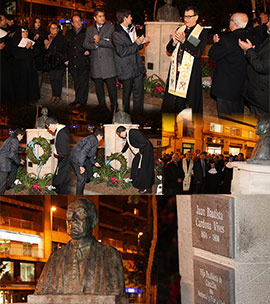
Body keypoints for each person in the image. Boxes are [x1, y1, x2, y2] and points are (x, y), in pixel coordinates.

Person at [35, 198, 126, 303]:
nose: (72, 219)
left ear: (93, 221)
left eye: (80, 213)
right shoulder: (55, 257)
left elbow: (116, 295)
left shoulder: (109, 255)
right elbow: (40, 294)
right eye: (69, 214)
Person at [162, 6, 207, 113]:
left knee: (188, 102)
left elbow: (198, 53)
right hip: (176, 72)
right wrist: (173, 42)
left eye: (189, 16)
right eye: (185, 16)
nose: (186, 19)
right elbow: (169, 49)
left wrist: (184, 41)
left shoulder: (201, 32)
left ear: (196, 17)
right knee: (174, 100)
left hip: (191, 73)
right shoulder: (180, 29)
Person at [209, 13, 252, 115]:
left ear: (233, 23)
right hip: (242, 87)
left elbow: (212, 55)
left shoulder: (228, 40)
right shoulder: (251, 38)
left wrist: (216, 44)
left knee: (226, 122)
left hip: (226, 89)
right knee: (238, 119)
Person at [112, 9, 149, 114]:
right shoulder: (116, 33)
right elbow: (122, 52)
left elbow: (134, 47)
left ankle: (138, 114)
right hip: (126, 69)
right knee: (126, 95)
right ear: (125, 18)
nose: (131, 18)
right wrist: (136, 44)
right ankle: (126, 115)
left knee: (139, 93)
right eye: (130, 16)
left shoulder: (131, 29)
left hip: (137, 67)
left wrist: (141, 43)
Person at [83, 9, 118, 112]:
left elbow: (113, 44)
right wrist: (95, 45)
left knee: (112, 88)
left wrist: (100, 42)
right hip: (96, 64)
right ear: (95, 18)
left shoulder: (110, 27)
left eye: (103, 16)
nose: (103, 18)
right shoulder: (89, 29)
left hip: (108, 64)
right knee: (99, 88)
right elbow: (85, 44)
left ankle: (114, 107)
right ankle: (102, 106)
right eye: (100, 16)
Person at [239, 25, 269, 114]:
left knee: (261, 125)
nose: (267, 24)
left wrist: (249, 50)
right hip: (260, 94)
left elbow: (262, 66)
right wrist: (252, 51)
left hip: (263, 97)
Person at [116, 126, 154, 193]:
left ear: (121, 132)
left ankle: (147, 188)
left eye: (119, 135)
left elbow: (143, 141)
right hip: (142, 151)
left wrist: (141, 153)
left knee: (144, 168)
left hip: (146, 150)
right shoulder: (128, 135)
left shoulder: (132, 132)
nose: (120, 136)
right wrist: (122, 152)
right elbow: (128, 144)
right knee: (135, 165)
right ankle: (135, 180)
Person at [10, 27, 40, 104]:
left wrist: (31, 47)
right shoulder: (15, 41)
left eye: (27, 32)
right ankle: (23, 100)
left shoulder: (29, 40)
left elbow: (36, 52)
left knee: (31, 82)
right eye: (23, 32)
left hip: (30, 67)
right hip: (20, 68)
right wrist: (25, 48)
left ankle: (31, 98)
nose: (25, 33)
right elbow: (15, 54)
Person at [66, 15, 90, 107]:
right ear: (72, 23)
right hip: (73, 61)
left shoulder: (86, 32)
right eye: (76, 21)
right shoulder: (69, 33)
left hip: (83, 61)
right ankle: (77, 99)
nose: (78, 23)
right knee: (76, 82)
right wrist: (66, 59)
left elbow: (92, 43)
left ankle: (83, 102)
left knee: (83, 82)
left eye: (79, 20)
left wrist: (89, 51)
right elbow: (66, 47)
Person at [70, 129, 103, 195]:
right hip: (77, 158)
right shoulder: (93, 140)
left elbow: (90, 154)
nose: (102, 139)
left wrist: (94, 162)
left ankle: (79, 193)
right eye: (102, 137)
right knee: (81, 179)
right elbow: (83, 152)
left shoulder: (91, 138)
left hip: (75, 156)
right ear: (99, 135)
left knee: (81, 178)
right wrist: (81, 165)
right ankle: (79, 194)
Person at [46, 117, 72, 194]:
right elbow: (59, 139)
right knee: (59, 173)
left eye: (49, 127)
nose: (50, 130)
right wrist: (51, 141)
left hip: (64, 157)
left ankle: (57, 189)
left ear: (51, 125)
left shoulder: (62, 132)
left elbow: (64, 144)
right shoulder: (61, 129)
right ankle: (55, 187)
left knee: (61, 174)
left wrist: (62, 155)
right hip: (63, 156)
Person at [44, 22, 68, 104]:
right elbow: (46, 50)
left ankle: (58, 96)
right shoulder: (48, 38)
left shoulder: (61, 38)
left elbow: (64, 49)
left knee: (58, 79)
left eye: (55, 28)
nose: (53, 30)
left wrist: (65, 60)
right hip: (51, 62)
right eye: (51, 28)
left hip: (58, 62)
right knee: (52, 79)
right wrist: (47, 44)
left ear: (58, 29)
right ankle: (53, 95)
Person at [0, 129, 25, 195]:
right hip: (4, 163)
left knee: (13, 169)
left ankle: (8, 186)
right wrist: (19, 161)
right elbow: (12, 154)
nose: (22, 138)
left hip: (3, 161)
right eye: (22, 137)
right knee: (2, 183)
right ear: (19, 135)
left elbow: (16, 148)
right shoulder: (15, 140)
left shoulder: (11, 138)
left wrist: (24, 149)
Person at [29, 17, 46, 91]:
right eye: (36, 22)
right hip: (32, 55)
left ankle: (37, 91)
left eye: (39, 22)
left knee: (39, 73)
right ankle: (32, 90)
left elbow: (44, 44)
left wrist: (40, 37)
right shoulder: (30, 32)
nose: (38, 24)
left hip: (40, 55)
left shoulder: (43, 32)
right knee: (32, 74)